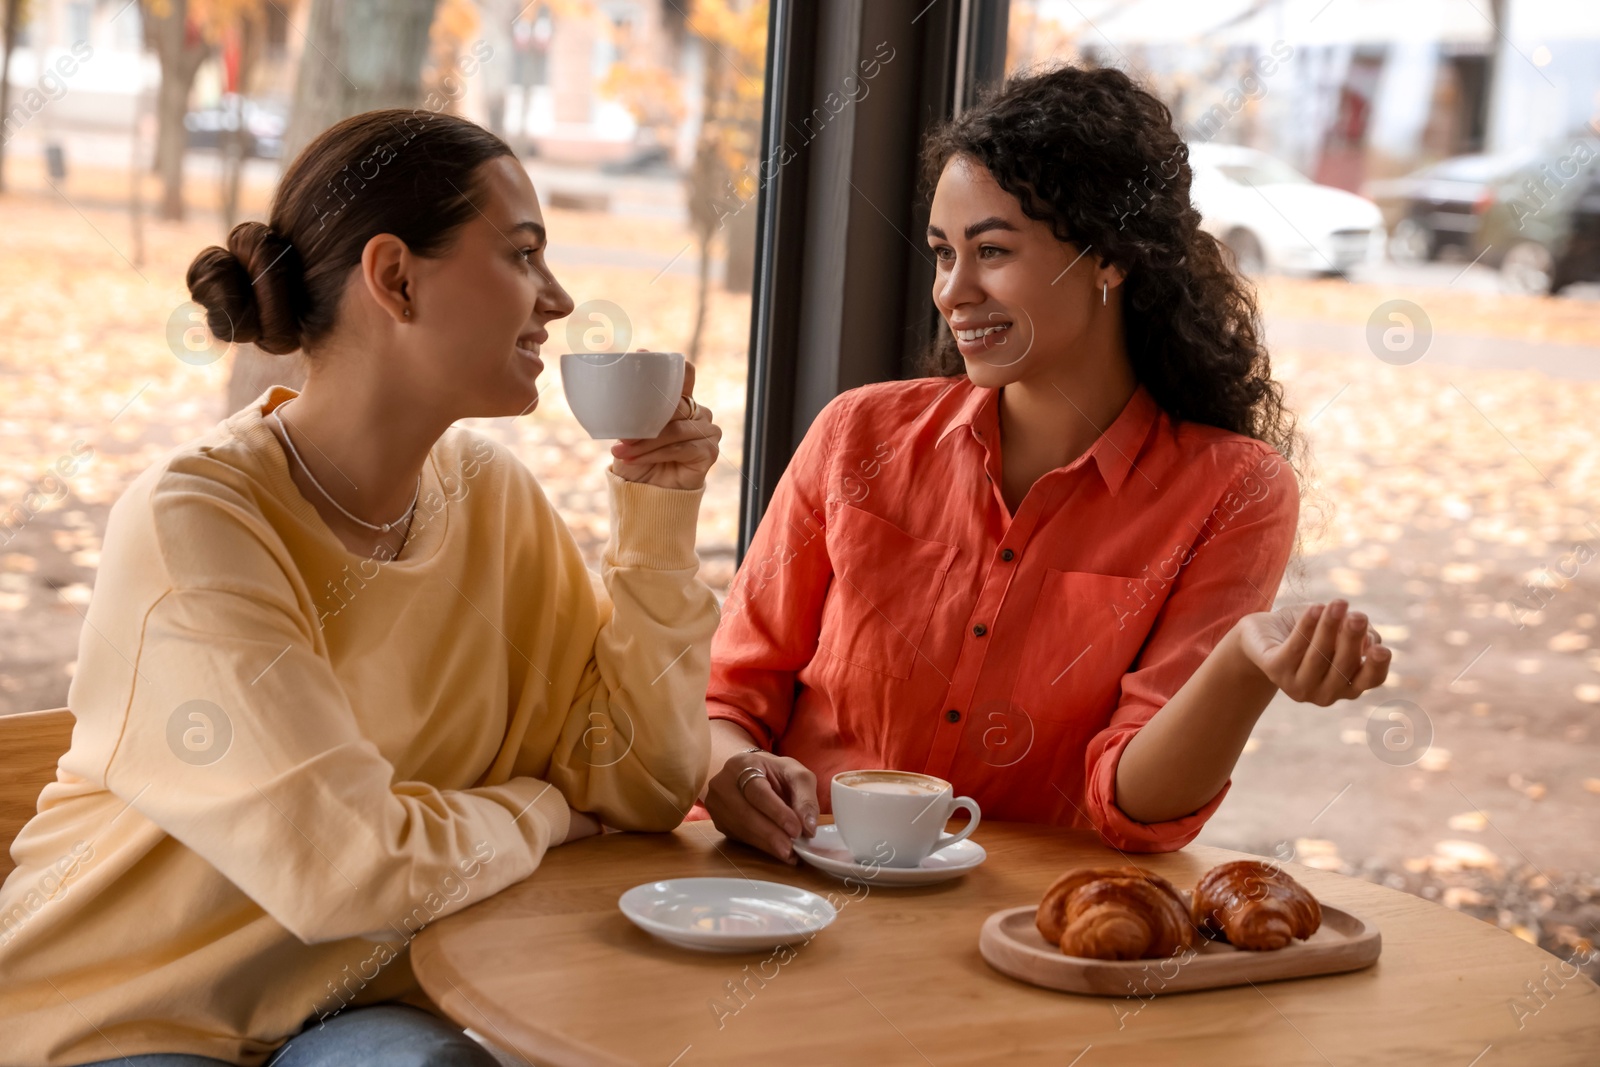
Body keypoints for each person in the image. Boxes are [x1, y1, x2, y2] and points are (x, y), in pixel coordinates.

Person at [0, 110, 723, 1065]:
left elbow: (638, 783)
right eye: (522, 254)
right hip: (124, 1020)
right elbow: (346, 867)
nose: (557, 298)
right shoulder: (198, 524)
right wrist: (545, 812)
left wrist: (657, 521)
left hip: (347, 1008)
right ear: (395, 278)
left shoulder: (489, 497)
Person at [699, 65, 1391, 863]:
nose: (953, 291)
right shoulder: (857, 435)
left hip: (1009, 937)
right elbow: (733, 696)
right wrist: (734, 773)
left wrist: (1242, 661)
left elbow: (1137, 808)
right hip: (786, 889)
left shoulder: (1233, 491)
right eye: (941, 253)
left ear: (1110, 256)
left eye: (991, 250)